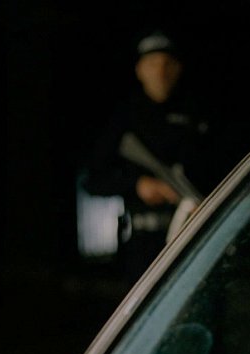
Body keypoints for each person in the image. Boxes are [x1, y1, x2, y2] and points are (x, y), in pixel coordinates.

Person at [80, 28, 230, 284]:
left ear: (178, 69)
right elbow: (93, 180)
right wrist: (137, 184)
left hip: (195, 235)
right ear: (140, 70)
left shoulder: (197, 115)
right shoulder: (123, 119)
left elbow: (219, 167)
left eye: (167, 64)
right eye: (152, 64)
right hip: (143, 244)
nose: (160, 72)